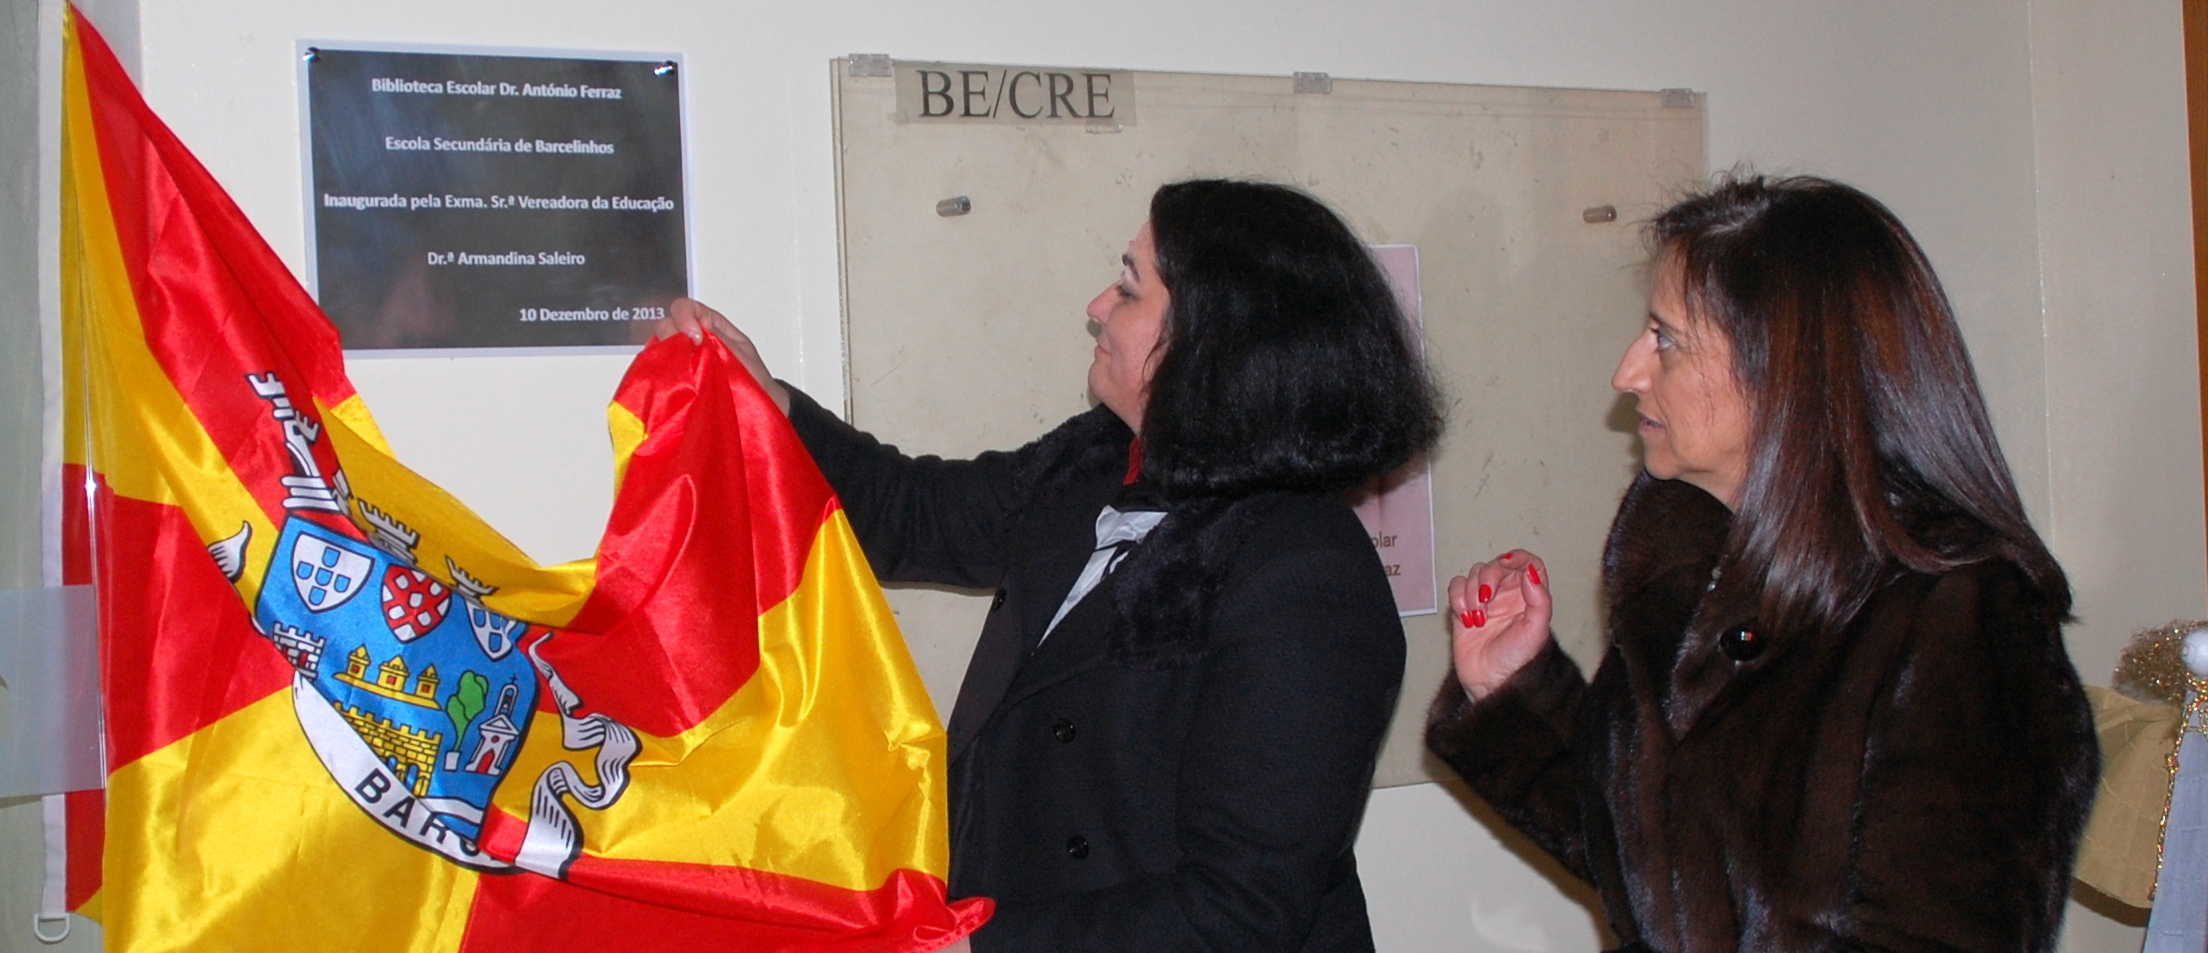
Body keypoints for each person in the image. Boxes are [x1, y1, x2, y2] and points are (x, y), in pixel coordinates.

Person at [663, 178, 1441, 951]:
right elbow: (919, 512)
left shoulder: (1306, 581)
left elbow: (1235, 912)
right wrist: (769, 405)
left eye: (1131, 291)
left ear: (1219, 344)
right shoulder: (1098, 457)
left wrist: (979, 948)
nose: (1097, 306)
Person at [1426, 175, 2099, 953]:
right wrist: (1511, 691)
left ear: (1786, 371)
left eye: (1665, 338)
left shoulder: (1960, 615)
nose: (1627, 372)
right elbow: (1669, 876)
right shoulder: (1698, 575)